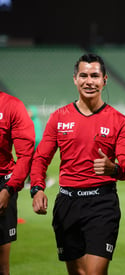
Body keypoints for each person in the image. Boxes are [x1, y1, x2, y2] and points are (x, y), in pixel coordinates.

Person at [30, 53, 125, 275]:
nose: (89, 81)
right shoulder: (59, 117)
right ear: (75, 79)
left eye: (95, 76)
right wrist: (37, 188)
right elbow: (41, 158)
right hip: (67, 204)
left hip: (102, 203)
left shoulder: (118, 120)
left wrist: (114, 169)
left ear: (104, 80)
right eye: (84, 75)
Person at [0, 91, 35, 274]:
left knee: (2, 266)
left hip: (2, 187)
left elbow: (25, 155)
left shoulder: (12, 105)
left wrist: (9, 189)